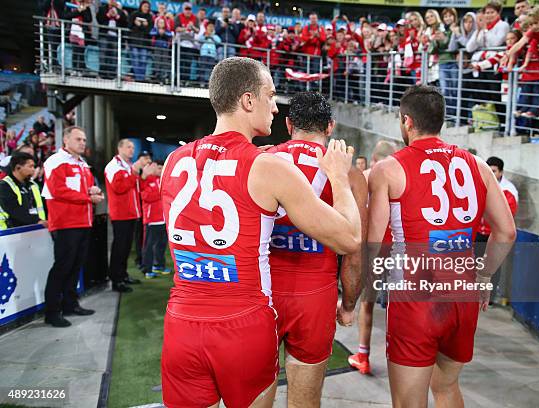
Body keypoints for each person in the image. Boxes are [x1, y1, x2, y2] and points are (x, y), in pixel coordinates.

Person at [159, 57, 361, 408]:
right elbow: (349, 239)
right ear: (248, 100)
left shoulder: (173, 161)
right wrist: (341, 178)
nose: (274, 104)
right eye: (270, 95)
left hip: (180, 322)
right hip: (244, 322)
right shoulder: (265, 165)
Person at [367, 86, 516, 406]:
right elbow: (506, 232)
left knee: (410, 401)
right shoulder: (476, 164)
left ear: (407, 121)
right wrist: (484, 276)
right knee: (446, 387)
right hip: (462, 295)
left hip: (415, 298)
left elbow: (374, 242)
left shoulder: (389, 168)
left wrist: (361, 289)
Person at [267, 92, 368, 405]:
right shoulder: (349, 175)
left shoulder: (263, 159)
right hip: (315, 294)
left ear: (288, 124)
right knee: (305, 399)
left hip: (263, 292)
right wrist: (349, 304)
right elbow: (353, 252)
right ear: (330, 127)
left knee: (254, 394)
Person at [42, 126, 103, 327]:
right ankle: (52, 312)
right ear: (66, 140)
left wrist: (93, 190)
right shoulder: (56, 161)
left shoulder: (82, 163)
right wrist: (88, 196)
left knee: (75, 266)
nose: (83, 143)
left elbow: (81, 189)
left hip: (83, 222)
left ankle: (70, 304)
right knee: (62, 267)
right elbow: (57, 190)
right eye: (78, 139)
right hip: (66, 223)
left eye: (84, 139)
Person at [348, 140, 397, 375]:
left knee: (366, 304)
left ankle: (363, 355)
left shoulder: (365, 177)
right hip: (398, 249)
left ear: (374, 159)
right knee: (397, 307)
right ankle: (398, 355)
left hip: (373, 249)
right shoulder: (401, 176)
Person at [104, 139, 152, 293]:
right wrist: (135, 172)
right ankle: (116, 280)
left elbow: (135, 188)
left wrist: (141, 176)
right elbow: (119, 187)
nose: (132, 150)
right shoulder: (113, 166)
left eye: (133, 147)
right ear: (119, 148)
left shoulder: (128, 166)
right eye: (128, 147)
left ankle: (123, 275)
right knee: (119, 248)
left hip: (131, 212)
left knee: (125, 248)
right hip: (120, 214)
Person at [476, 156, 519, 302]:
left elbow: (505, 220)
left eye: (493, 171)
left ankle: (491, 297)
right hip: (478, 233)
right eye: (489, 170)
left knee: (492, 266)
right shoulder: (481, 183)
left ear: (501, 172)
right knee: (474, 264)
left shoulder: (508, 190)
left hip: (493, 235)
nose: (491, 173)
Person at [0, 152, 46, 230]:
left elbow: (44, 204)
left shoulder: (33, 185)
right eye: (30, 166)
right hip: (11, 232)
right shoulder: (4, 186)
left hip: (36, 229)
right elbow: (14, 210)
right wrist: (37, 220)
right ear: (18, 167)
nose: (33, 169)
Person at [140, 160, 168, 279]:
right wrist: (161, 193)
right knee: (149, 246)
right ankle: (147, 269)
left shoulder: (161, 181)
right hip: (152, 220)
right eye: (158, 168)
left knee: (162, 244)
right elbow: (146, 196)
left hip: (163, 219)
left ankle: (159, 265)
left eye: (162, 168)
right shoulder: (146, 180)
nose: (161, 171)